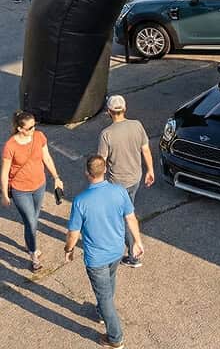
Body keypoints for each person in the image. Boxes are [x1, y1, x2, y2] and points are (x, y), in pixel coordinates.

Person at [64, 155, 144, 349]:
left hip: (96, 258)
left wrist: (68, 249)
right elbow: (131, 218)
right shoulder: (119, 191)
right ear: (105, 170)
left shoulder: (81, 201)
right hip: (116, 251)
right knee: (110, 280)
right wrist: (137, 242)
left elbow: (73, 233)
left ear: (86, 173)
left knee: (104, 297)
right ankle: (101, 313)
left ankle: (115, 337)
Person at [1, 111, 63, 271]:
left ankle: (30, 245)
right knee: (30, 221)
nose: (33, 129)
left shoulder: (39, 137)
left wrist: (56, 177)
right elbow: (5, 171)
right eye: (30, 127)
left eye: (34, 125)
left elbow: (47, 157)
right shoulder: (11, 145)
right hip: (20, 189)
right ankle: (34, 254)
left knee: (34, 219)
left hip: (39, 185)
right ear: (20, 128)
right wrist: (5, 194)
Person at [97, 95, 154, 268]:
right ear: (125, 109)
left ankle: (133, 255)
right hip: (135, 178)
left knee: (125, 218)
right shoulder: (137, 125)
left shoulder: (106, 134)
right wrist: (150, 170)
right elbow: (145, 149)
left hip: (117, 184)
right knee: (128, 211)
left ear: (109, 112)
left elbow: (101, 161)